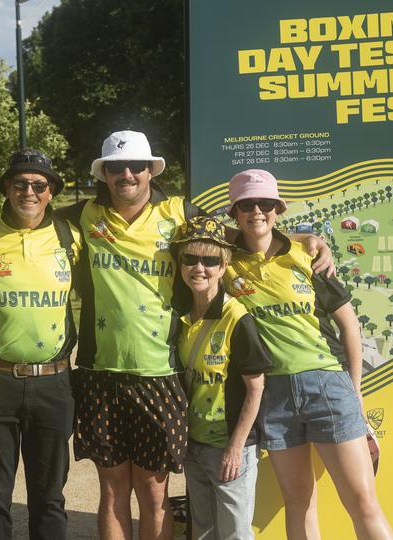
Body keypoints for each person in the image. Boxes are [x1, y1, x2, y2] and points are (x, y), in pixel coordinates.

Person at [61, 130, 335, 540]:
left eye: (136, 166)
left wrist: (300, 238)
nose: (127, 174)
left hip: (162, 372)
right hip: (101, 372)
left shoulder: (177, 211)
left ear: (151, 171)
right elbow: (24, 226)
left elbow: (236, 236)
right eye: (116, 167)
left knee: (155, 494)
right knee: (111, 489)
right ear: (104, 174)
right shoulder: (83, 215)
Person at [223, 169, 393, 540]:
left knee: (362, 500)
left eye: (266, 203)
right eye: (247, 204)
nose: (257, 211)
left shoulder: (307, 254)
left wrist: (355, 390)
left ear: (278, 209)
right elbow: (194, 234)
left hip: (328, 385)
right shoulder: (223, 261)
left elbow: (350, 326)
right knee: (298, 503)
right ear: (234, 212)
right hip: (274, 394)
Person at [0, 149, 80, 540]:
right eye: (20, 183)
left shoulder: (69, 237)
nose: (29, 191)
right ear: (8, 188)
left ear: (51, 192)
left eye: (39, 185)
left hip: (54, 382)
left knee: (49, 497)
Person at [172, 216, 271, 540]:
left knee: (234, 534)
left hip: (230, 448)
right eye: (190, 258)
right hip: (195, 446)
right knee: (202, 531)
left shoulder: (236, 318)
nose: (199, 268)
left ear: (224, 265)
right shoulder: (181, 315)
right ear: (180, 262)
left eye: (210, 260)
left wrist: (235, 448)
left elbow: (255, 389)